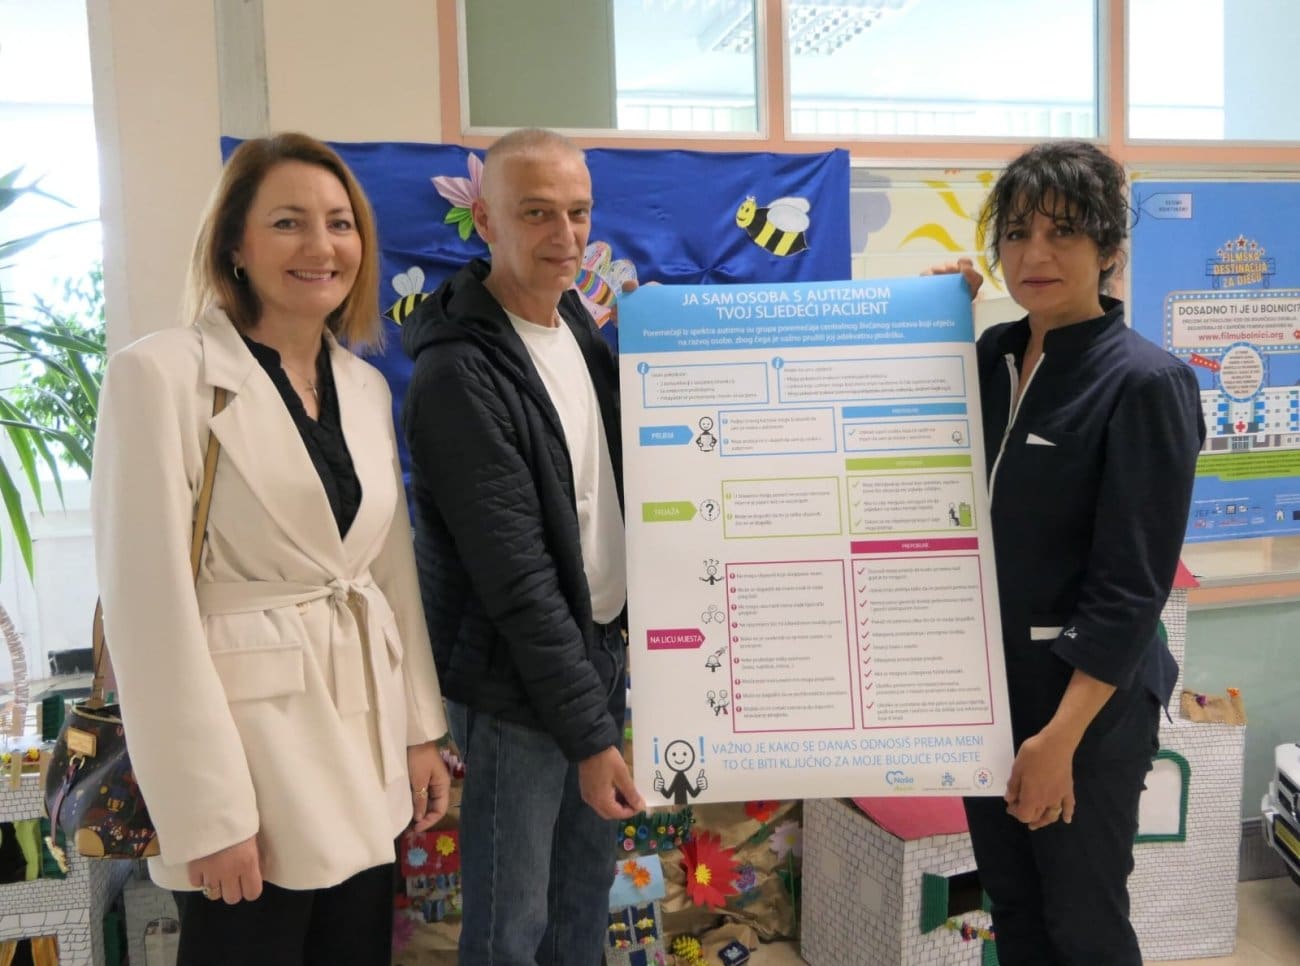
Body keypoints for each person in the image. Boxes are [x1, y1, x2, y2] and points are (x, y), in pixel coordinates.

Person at [91, 132, 451, 966]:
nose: (321, 246)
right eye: (288, 222)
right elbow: (149, 614)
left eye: (340, 223)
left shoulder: (363, 385)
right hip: (251, 761)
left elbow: (387, 572)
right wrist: (207, 814)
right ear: (234, 245)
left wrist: (419, 731)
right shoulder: (162, 376)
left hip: (361, 739)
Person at [937, 141, 1205, 965]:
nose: (1035, 255)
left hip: (1085, 707)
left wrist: (1060, 740)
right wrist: (930, 317)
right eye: (1017, 234)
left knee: (1083, 925)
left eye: (1063, 233)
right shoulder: (989, 359)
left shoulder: (1145, 382)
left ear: (1109, 248)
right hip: (989, 695)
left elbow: (1130, 587)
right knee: (1015, 912)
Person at [401, 127, 646, 965]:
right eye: (537, 213)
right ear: (485, 221)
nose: (566, 236)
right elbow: (517, 580)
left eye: (579, 212)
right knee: (512, 929)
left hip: (594, 659)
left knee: (582, 908)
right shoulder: (457, 375)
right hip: (517, 686)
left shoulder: (574, 323)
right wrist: (590, 737)